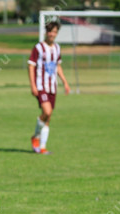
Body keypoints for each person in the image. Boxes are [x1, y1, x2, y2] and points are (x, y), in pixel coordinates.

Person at [28, 21, 70, 155]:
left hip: (52, 86)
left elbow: (58, 66)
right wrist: (33, 85)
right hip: (41, 86)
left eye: (54, 32)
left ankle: (42, 147)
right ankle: (35, 137)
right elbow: (31, 66)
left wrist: (65, 82)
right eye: (50, 31)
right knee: (47, 112)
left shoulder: (57, 48)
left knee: (48, 117)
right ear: (46, 32)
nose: (52, 34)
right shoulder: (38, 48)